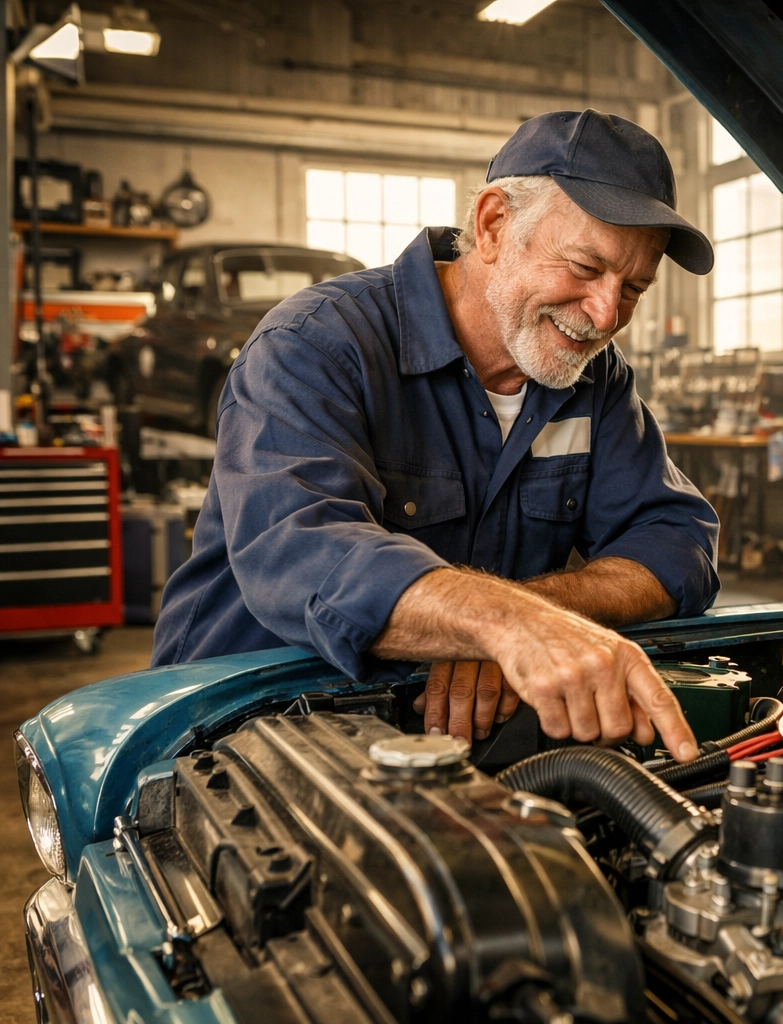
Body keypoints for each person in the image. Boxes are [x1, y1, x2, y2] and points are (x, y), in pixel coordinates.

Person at [153, 110, 720, 761]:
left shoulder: (596, 381)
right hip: (235, 732)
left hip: (440, 748)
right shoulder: (317, 344)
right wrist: (504, 624)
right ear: (492, 225)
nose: (605, 314)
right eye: (586, 268)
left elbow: (678, 546)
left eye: (635, 289)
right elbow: (298, 549)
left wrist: (518, 618)